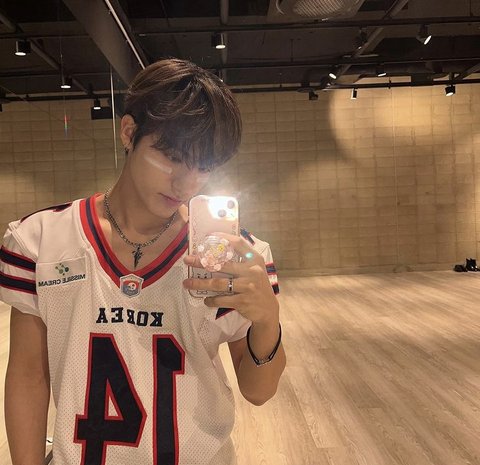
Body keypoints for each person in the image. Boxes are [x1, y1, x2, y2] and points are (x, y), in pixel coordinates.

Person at [0, 58, 286, 465]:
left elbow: (258, 392)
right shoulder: (41, 240)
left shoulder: (236, 255)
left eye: (204, 166)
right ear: (129, 132)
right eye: (172, 156)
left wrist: (268, 319)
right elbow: (29, 374)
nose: (186, 183)